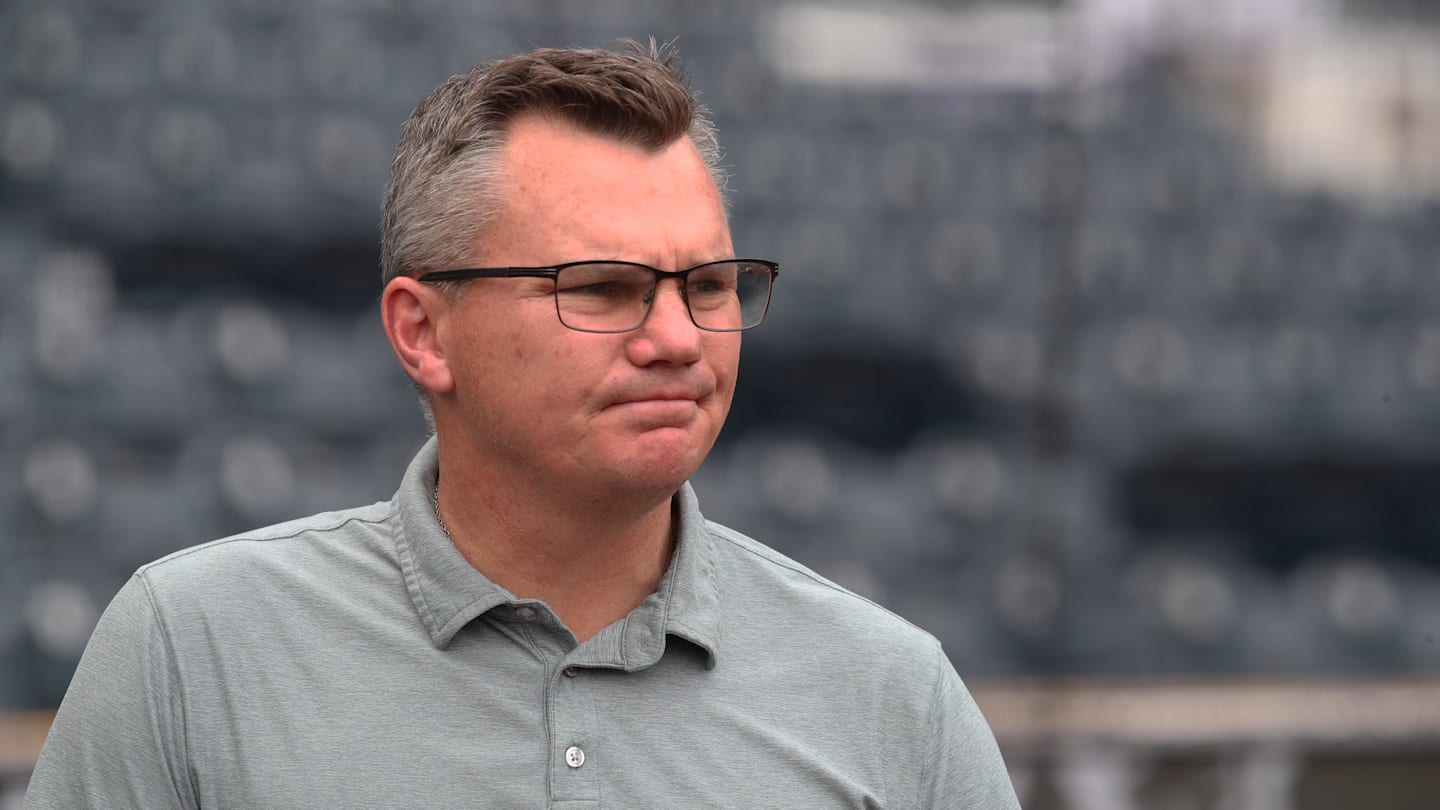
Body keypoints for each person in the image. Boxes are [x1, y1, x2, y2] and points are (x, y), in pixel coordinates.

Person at [26, 42, 1019, 808]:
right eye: (602, 288)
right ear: (423, 332)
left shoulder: (894, 696)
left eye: (710, 285)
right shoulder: (190, 651)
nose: (679, 338)